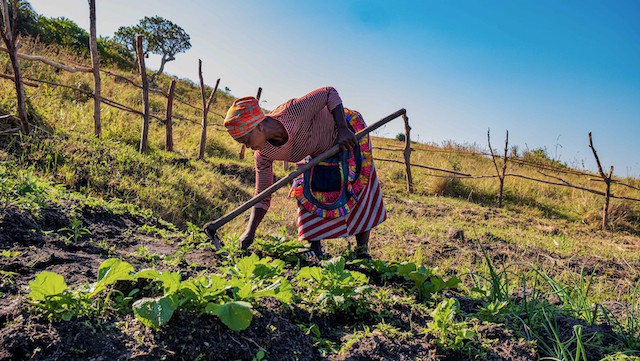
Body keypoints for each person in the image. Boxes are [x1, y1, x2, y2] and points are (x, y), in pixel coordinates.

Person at [205, 86, 386, 259]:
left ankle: (362, 251)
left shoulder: (293, 111)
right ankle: (315, 249)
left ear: (258, 126)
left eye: (246, 140)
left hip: (345, 135)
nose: (247, 147)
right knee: (307, 190)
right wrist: (250, 232)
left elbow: (329, 92)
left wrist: (344, 130)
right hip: (317, 152)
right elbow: (262, 195)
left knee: (359, 188)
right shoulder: (263, 155)